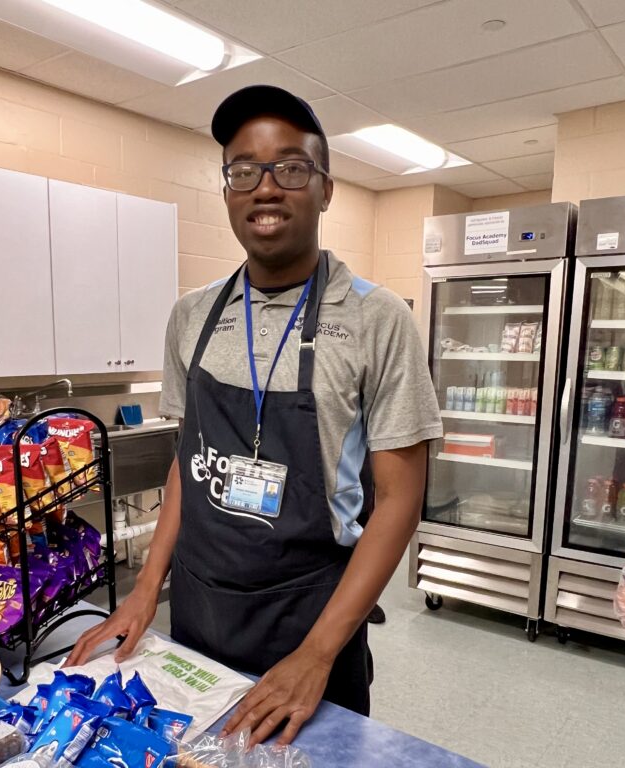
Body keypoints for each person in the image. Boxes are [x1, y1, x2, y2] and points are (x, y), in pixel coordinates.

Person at [67, 85, 442, 745]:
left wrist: (318, 655)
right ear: (227, 191)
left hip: (311, 622)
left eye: (291, 167)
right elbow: (189, 459)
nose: (265, 187)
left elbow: (398, 502)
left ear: (326, 189)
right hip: (201, 615)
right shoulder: (193, 316)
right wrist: (147, 588)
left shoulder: (376, 319)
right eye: (244, 170)